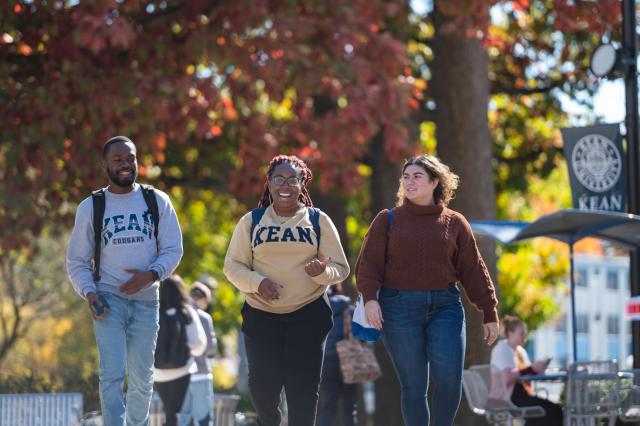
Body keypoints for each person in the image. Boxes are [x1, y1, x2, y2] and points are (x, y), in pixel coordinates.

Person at [355, 154, 500, 426]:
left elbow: (473, 269)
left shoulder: (455, 222)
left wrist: (489, 311)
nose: (409, 181)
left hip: (446, 307)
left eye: (417, 176)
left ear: (435, 181)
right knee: (414, 386)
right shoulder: (387, 220)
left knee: (449, 380)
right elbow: (367, 265)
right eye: (406, 176)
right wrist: (371, 300)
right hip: (398, 309)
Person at [223, 154, 350, 426]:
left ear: (302, 183)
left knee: (303, 392)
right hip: (261, 317)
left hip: (308, 316)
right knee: (262, 390)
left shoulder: (317, 220)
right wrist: (258, 283)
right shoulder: (252, 221)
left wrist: (322, 273)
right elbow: (232, 267)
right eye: (279, 179)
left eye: (293, 180)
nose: (285, 185)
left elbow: (340, 267)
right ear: (269, 183)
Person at [66, 135, 183, 426]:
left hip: (147, 300)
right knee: (112, 374)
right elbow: (77, 262)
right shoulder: (91, 207)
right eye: (117, 160)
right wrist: (89, 294)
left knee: (143, 377)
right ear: (104, 163)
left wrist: (151, 274)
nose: (125, 165)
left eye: (130, 158)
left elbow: (173, 249)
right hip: (108, 299)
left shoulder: (156, 200)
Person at [490, 315, 563, 425]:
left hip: (520, 394)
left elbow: (527, 372)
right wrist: (532, 368)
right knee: (553, 411)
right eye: (521, 333)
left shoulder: (520, 351)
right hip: (507, 397)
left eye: (525, 333)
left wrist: (539, 368)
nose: (525, 337)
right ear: (510, 333)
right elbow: (507, 377)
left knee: (552, 411)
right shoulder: (502, 349)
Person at [154, 275, 207, 426]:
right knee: (175, 412)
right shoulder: (187, 312)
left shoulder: (153, 313)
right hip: (183, 369)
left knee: (169, 411)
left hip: (158, 372)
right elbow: (198, 344)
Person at [317, 283, 357, 426]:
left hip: (326, 360)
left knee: (328, 405)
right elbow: (360, 335)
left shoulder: (317, 311)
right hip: (349, 359)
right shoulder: (349, 310)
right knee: (350, 406)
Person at [179, 280, 218, 426]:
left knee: (183, 418)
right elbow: (210, 348)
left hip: (182, 373)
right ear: (201, 299)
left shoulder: (180, 315)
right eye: (206, 302)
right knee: (203, 418)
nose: (206, 306)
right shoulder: (204, 317)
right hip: (201, 373)